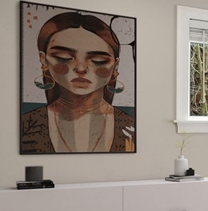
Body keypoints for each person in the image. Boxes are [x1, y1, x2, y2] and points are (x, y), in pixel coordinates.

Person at [21, 12, 135, 153]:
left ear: (115, 65)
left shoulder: (131, 127)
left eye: (98, 60)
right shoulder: (26, 125)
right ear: (43, 60)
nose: (81, 68)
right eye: (64, 58)